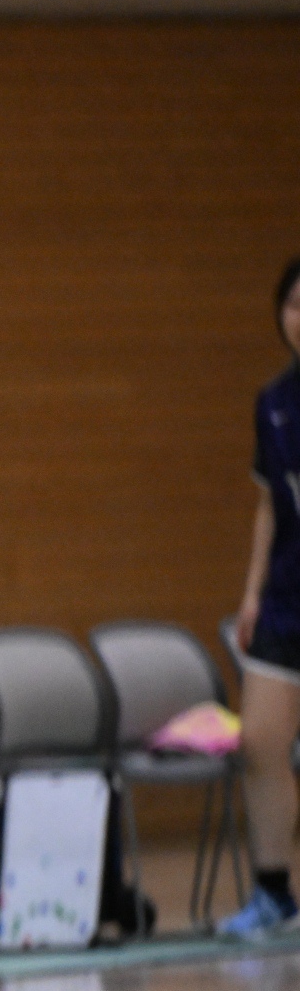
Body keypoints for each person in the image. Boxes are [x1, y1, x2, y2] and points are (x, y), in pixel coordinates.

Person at [221, 255, 300, 936]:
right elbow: (270, 505)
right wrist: (252, 594)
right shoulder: (272, 403)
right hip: (284, 600)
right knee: (262, 741)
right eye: (295, 305)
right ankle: (274, 894)